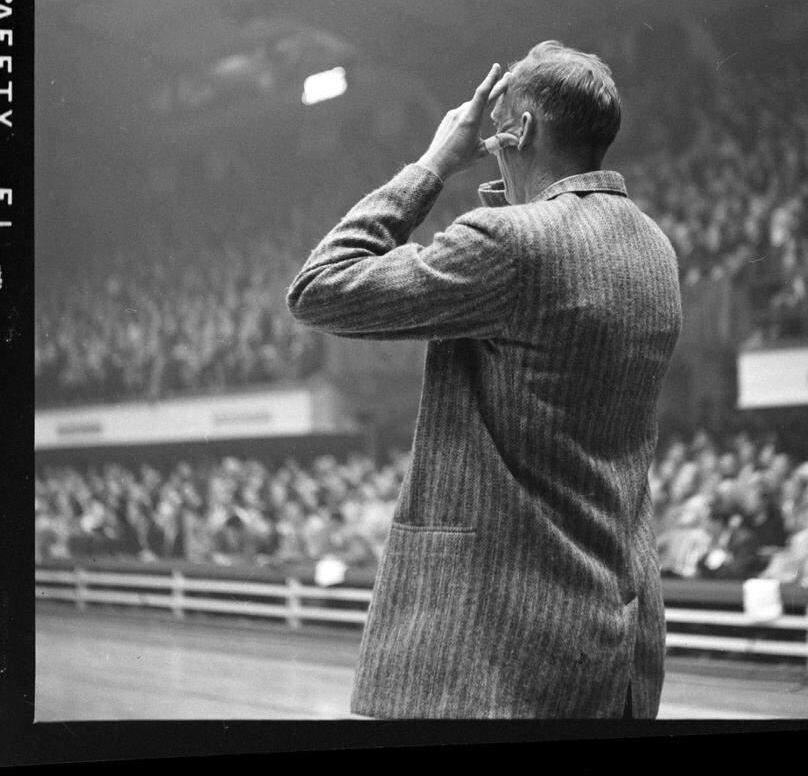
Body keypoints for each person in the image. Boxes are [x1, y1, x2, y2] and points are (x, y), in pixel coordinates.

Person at [287, 43, 683, 718]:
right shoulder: (653, 246)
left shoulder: (511, 247)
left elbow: (319, 286)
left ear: (520, 129)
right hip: (617, 641)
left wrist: (435, 162)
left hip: (500, 652)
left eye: (503, 122)